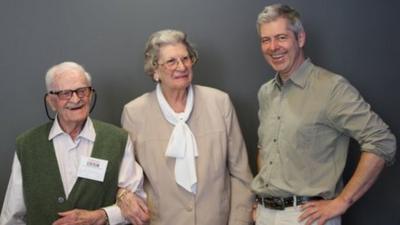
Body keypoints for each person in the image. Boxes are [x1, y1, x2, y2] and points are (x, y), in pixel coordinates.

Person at [251, 4, 396, 225]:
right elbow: (265, 148)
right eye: (265, 40)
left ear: (300, 39)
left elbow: (382, 141)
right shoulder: (266, 92)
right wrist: (264, 204)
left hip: (306, 218)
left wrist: (342, 202)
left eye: (281, 37)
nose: (273, 47)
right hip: (264, 214)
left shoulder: (331, 88)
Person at [118, 29, 254, 225]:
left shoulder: (219, 102)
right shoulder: (134, 113)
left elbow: (241, 175)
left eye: (186, 58)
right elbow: (128, 181)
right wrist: (123, 195)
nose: (181, 66)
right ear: (155, 70)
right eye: (171, 61)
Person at [0, 62, 149, 225]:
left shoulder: (117, 139)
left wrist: (102, 215)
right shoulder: (27, 145)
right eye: (65, 93)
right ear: (51, 101)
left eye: (82, 91)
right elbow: (12, 216)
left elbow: (137, 202)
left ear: (90, 94)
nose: (76, 99)